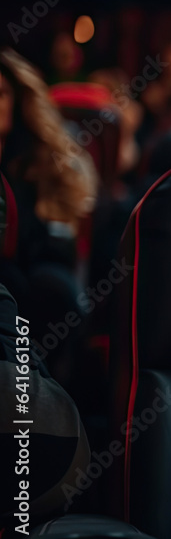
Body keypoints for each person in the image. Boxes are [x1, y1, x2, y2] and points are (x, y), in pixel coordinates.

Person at [0, 48, 97, 377]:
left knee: (52, 286)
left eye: (0, 94)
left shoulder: (37, 165)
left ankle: (38, 404)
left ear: (16, 102)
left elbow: (61, 246)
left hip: (37, 287)